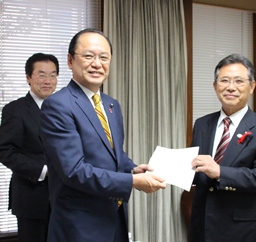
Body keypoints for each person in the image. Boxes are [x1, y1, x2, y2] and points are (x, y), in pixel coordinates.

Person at [39, 28, 166, 242]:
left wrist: (132, 168)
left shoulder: (111, 105)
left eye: (104, 57)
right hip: (79, 225)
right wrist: (133, 181)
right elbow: (74, 171)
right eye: (88, 56)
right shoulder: (58, 105)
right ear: (70, 61)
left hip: (114, 218)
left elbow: (114, 154)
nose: (97, 64)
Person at [189, 54, 256, 242]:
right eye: (224, 81)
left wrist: (220, 172)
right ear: (215, 86)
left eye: (239, 81)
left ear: (252, 86)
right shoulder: (202, 124)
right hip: (202, 227)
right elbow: (197, 171)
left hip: (242, 230)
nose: (231, 87)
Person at [0, 53, 59, 242]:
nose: (48, 81)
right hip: (32, 198)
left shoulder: (63, 109)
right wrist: (44, 171)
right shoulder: (15, 110)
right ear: (28, 77)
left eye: (53, 75)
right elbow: (6, 151)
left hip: (64, 197)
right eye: (41, 75)